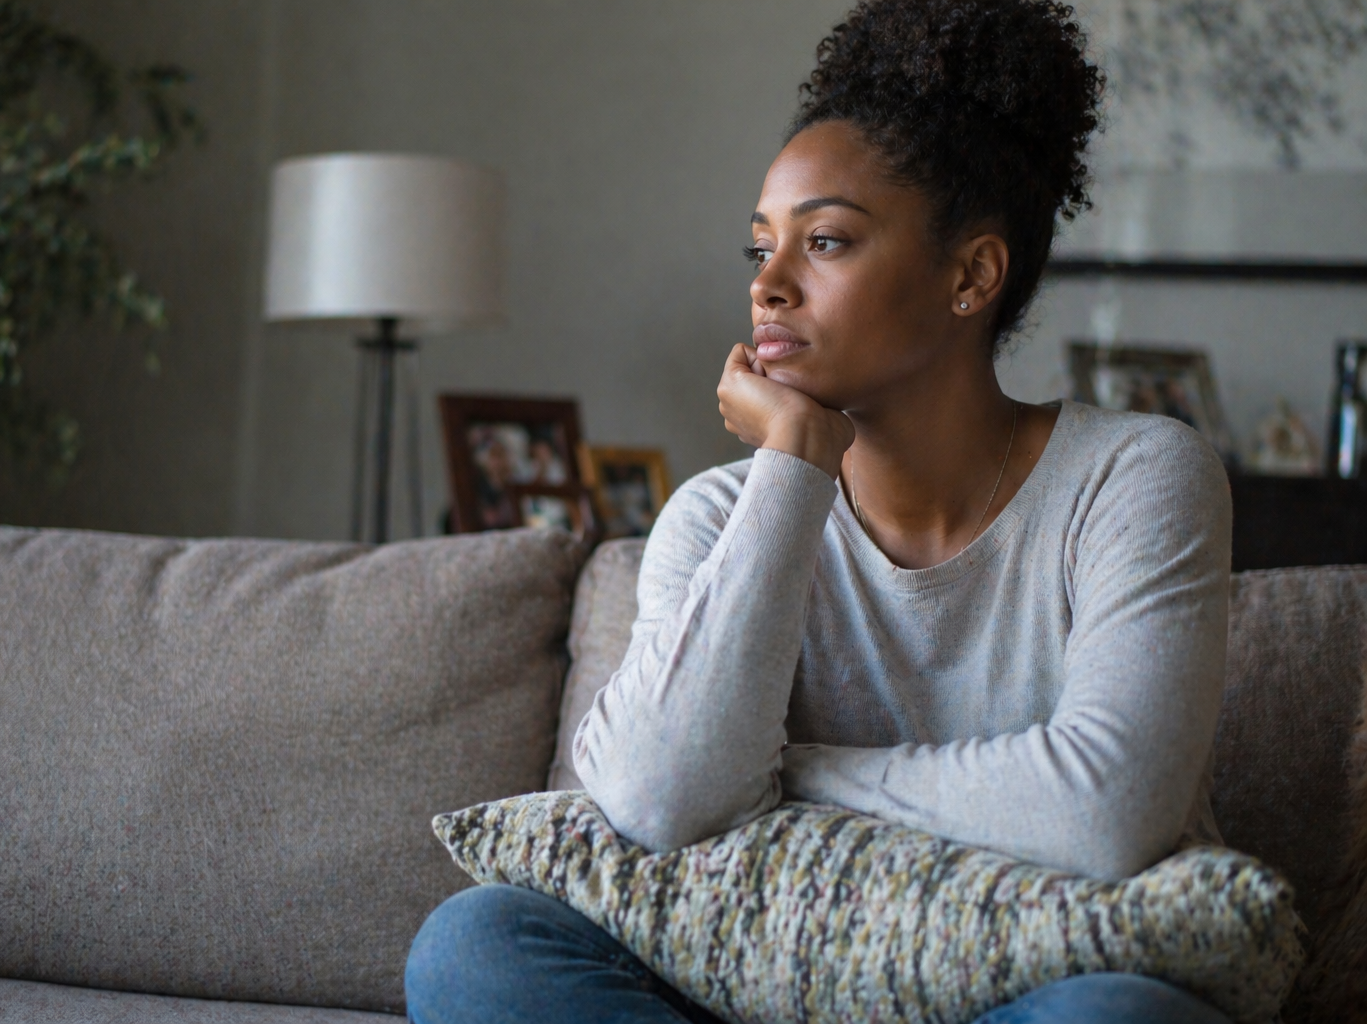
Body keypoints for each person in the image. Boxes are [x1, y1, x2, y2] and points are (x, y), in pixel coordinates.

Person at [406, 2, 1233, 1021]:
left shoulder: (1136, 476)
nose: (772, 288)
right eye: (760, 251)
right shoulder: (719, 515)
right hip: (765, 987)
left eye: (827, 242)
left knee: (1116, 1018)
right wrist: (794, 458)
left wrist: (785, 779)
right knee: (475, 945)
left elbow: (1109, 810)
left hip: (1031, 987)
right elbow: (660, 800)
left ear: (971, 274)